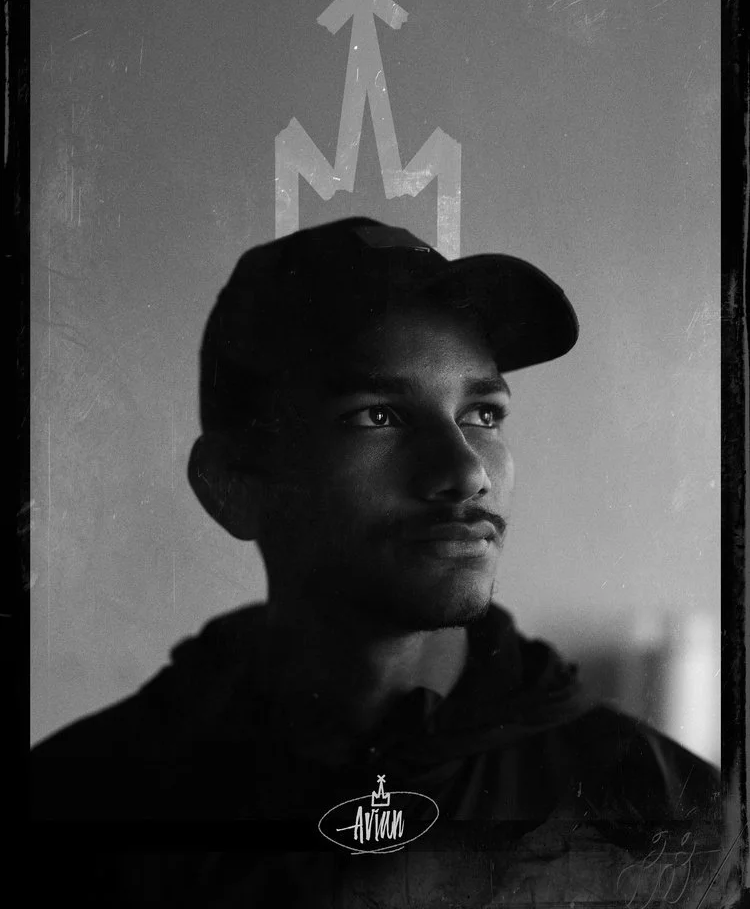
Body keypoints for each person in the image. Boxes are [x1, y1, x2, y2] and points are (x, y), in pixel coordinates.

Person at [31, 217, 726, 905]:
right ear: (234, 483)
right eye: (378, 416)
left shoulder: (668, 816)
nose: (464, 472)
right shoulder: (78, 806)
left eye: (483, 415)